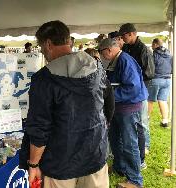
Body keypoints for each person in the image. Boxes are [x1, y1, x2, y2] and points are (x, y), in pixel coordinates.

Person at [22, 20, 109, 188]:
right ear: (68, 40)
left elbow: (40, 128)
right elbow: (109, 106)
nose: (42, 52)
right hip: (95, 154)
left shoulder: (44, 79)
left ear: (47, 44)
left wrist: (33, 164)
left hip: (60, 163)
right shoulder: (97, 67)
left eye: (41, 47)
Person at [99, 38, 147, 188]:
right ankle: (120, 167)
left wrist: (109, 96)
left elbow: (133, 87)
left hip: (128, 108)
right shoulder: (116, 60)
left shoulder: (125, 60)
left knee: (129, 143)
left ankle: (134, 180)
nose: (101, 56)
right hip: (118, 108)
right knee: (115, 140)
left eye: (101, 53)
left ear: (108, 50)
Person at [119, 23, 154, 162]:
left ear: (131, 34)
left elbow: (149, 73)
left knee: (142, 121)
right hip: (129, 91)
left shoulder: (143, 49)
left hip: (140, 90)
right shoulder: (126, 48)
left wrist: (134, 81)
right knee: (135, 122)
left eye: (123, 36)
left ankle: (145, 147)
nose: (122, 38)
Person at [148, 38, 172, 127]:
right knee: (163, 100)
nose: (151, 46)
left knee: (149, 99)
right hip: (167, 79)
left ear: (155, 44)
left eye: (152, 44)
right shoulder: (169, 54)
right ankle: (165, 121)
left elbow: (150, 67)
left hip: (156, 79)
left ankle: (146, 118)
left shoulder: (154, 54)